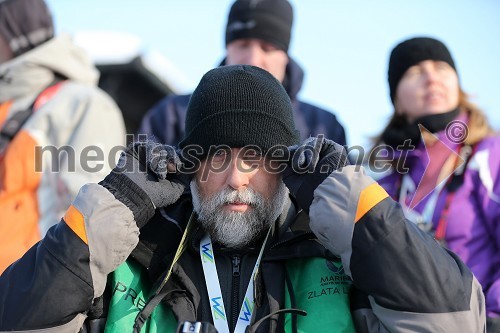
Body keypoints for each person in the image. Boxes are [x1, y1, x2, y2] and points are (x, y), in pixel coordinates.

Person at [0, 65, 485, 332]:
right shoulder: (131, 255)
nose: (236, 178)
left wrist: (360, 210)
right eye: (217, 156)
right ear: (191, 163)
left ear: (286, 166)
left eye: (257, 157)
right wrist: (107, 211)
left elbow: (455, 322)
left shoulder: (341, 258)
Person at [368, 36, 500, 331]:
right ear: (397, 100)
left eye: (441, 67)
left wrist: (493, 319)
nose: (430, 78)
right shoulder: (382, 182)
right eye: (414, 72)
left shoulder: (491, 157)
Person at [0, 0, 126, 273]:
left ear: (14, 35)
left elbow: (89, 222)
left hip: (26, 294)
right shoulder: (8, 103)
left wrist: (47, 293)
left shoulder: (82, 104)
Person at [138, 0, 346, 146]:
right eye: (243, 45)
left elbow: (342, 201)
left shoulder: (324, 128)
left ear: (285, 55)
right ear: (227, 48)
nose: (254, 59)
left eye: (267, 47)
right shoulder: (170, 115)